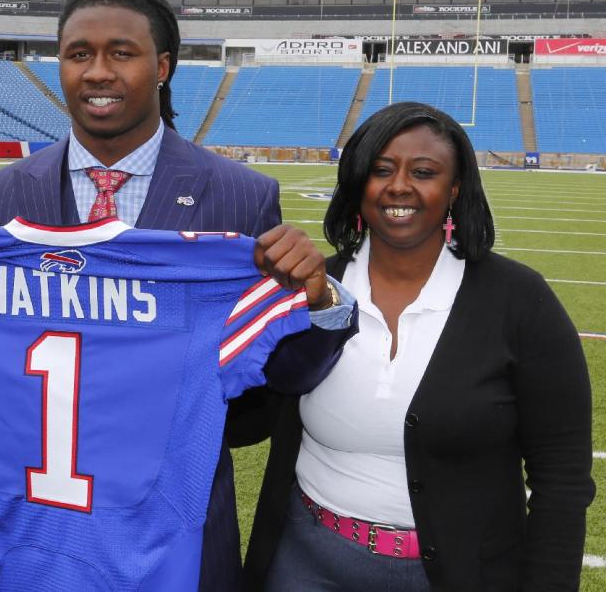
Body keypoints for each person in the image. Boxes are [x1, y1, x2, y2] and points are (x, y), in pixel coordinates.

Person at [0, 0, 357, 590]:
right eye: (79, 54)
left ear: (162, 66)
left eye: (120, 53)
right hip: (25, 532)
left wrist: (315, 299)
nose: (97, 71)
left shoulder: (241, 194)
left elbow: (280, 380)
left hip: (166, 533)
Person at [244, 101, 594, 591]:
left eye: (423, 171)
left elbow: (561, 477)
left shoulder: (520, 300)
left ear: (454, 189)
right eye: (381, 169)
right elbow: (248, 419)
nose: (399, 185)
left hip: (459, 572)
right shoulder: (309, 287)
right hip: (307, 561)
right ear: (357, 183)